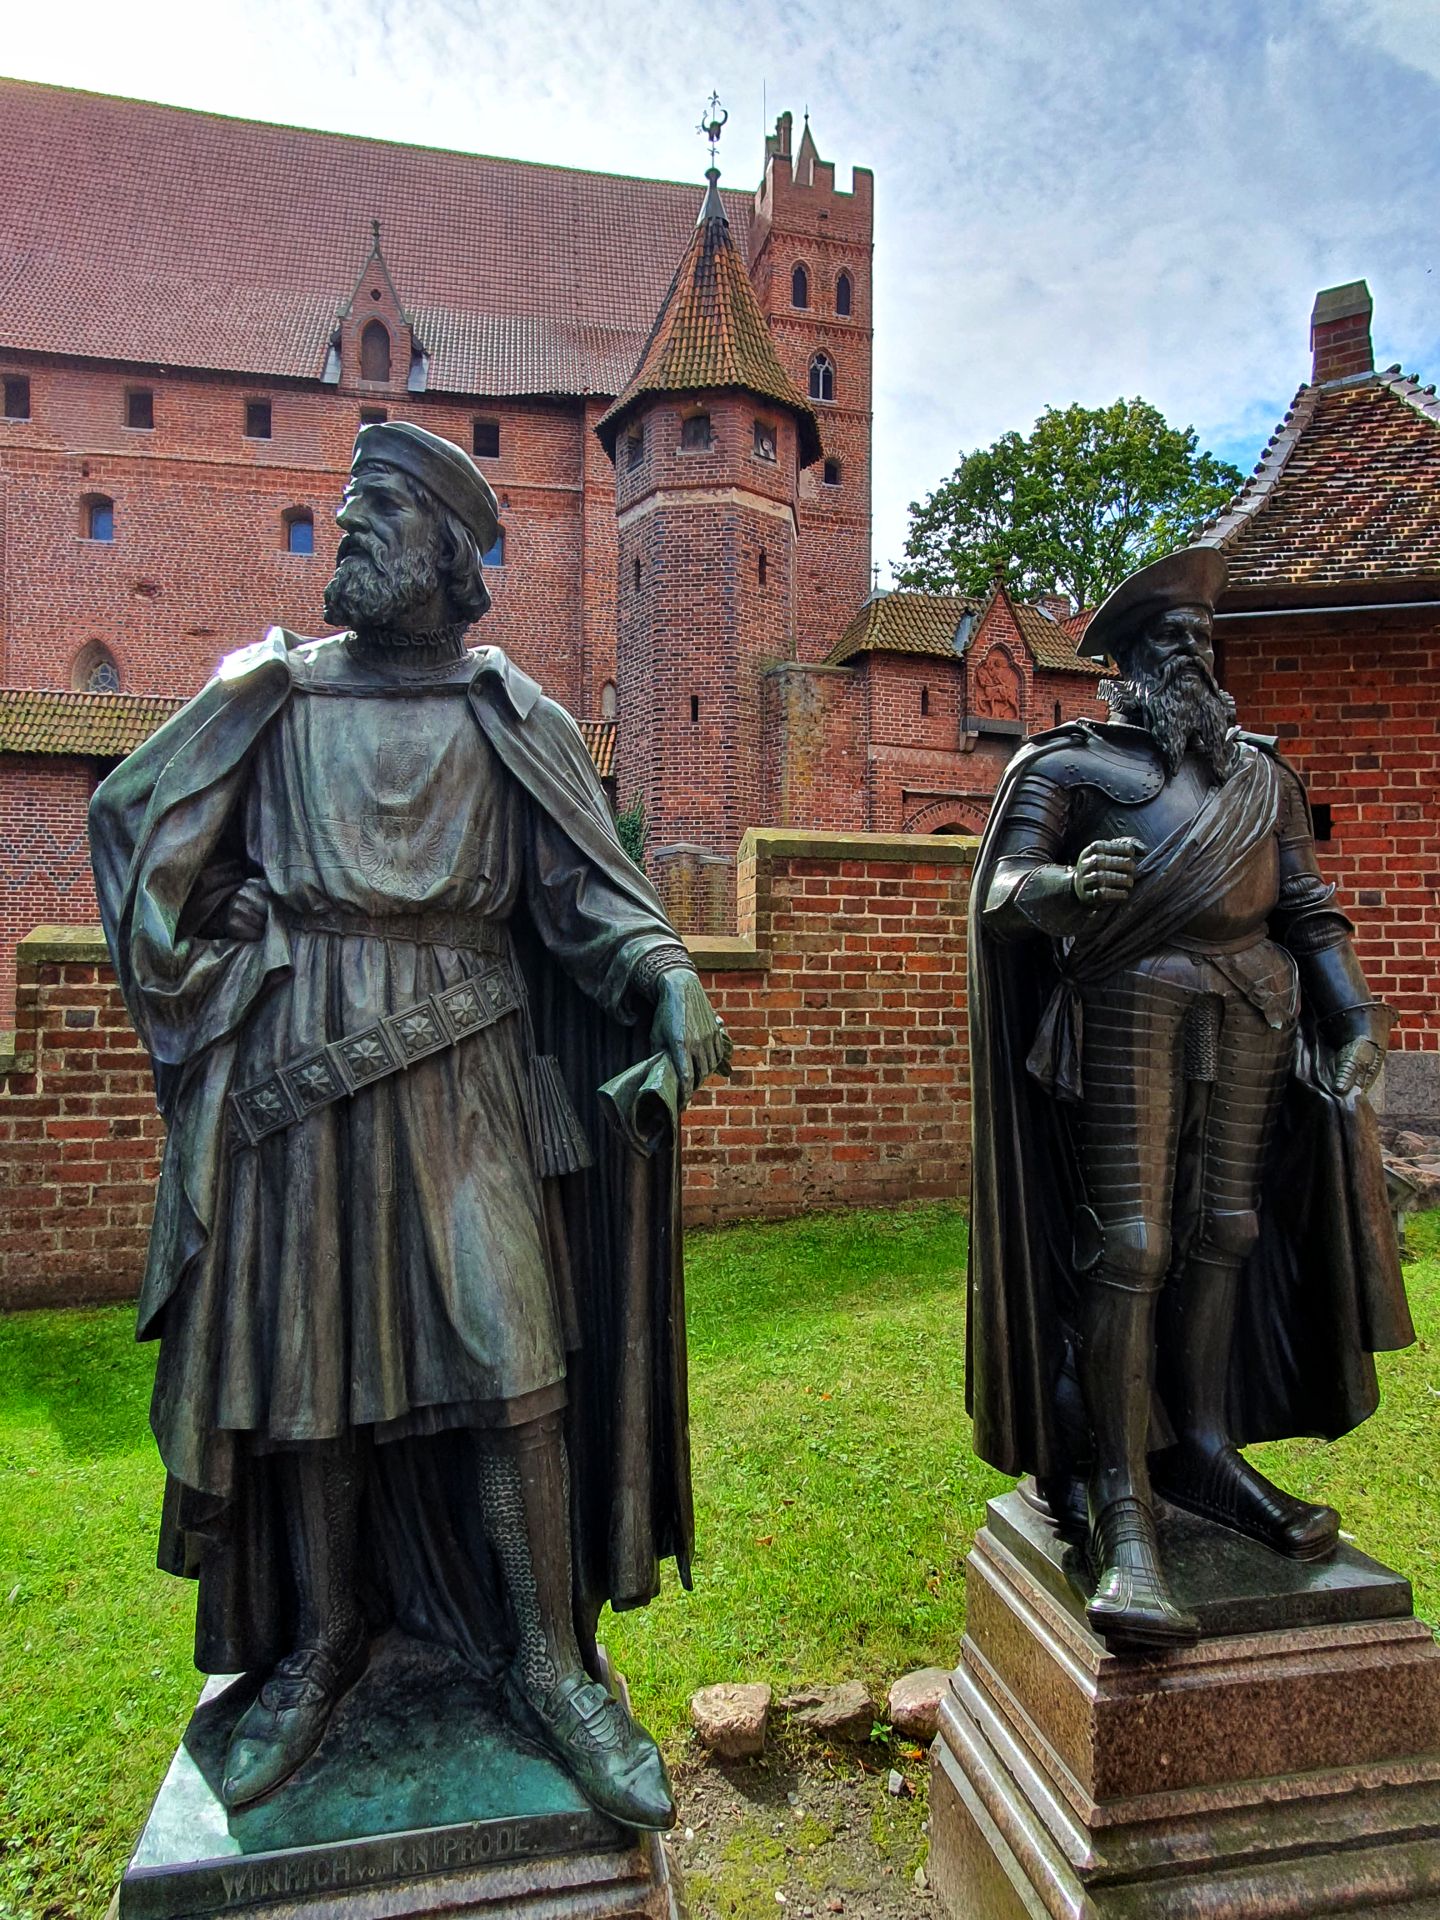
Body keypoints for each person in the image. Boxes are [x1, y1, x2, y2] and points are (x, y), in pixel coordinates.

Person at [90, 421, 730, 1827]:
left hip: (465, 1073)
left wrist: (667, 974)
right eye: (347, 507)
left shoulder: (510, 715)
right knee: (309, 1380)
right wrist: (222, 938)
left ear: (450, 553)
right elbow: (135, 827)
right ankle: (321, 1646)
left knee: (514, 1365)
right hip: (299, 1074)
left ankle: (549, 1662)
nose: (350, 529)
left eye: (381, 511)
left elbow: (588, 899)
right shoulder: (271, 695)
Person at [966, 545, 1413, 1650]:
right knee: (1131, 1245)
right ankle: (1121, 1498)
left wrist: (1353, 1017)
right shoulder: (1069, 768)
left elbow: (1307, 911)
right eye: (1172, 640)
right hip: (1128, 1005)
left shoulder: (1261, 777)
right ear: (1125, 664)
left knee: (1228, 1231)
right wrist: (1064, 885)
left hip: (1255, 1007)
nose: (1194, 655)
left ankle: (1204, 1450)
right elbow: (1003, 892)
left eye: (1204, 640)